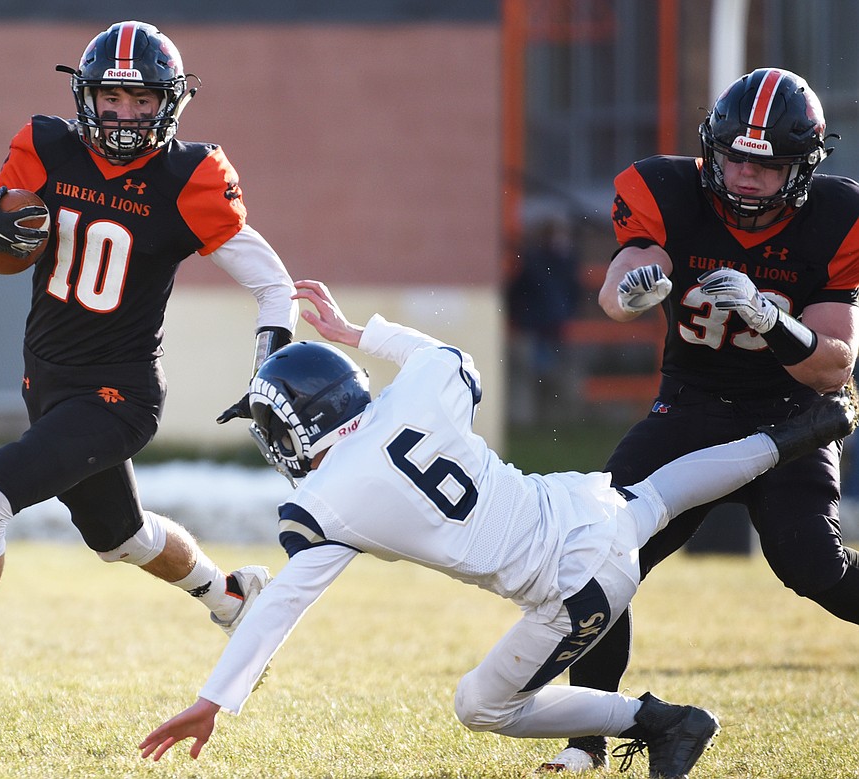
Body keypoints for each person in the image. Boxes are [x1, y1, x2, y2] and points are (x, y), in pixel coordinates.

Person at [137, 279, 858, 779]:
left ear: (296, 423)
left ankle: (661, 719)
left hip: (576, 585)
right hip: (586, 506)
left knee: (481, 705)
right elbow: (448, 358)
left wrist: (214, 699)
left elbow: (285, 601)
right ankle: (806, 429)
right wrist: (361, 331)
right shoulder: (415, 395)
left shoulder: (327, 500)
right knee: (659, 495)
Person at [0, 20, 297, 723]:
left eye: (142, 100)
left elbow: (276, 286)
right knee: (122, 536)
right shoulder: (45, 149)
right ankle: (234, 597)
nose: (125, 115)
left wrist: (271, 370)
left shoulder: (190, 177)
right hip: (47, 382)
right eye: (112, 98)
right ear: (86, 96)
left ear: (170, 103)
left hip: (120, 394)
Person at [540, 67, 859, 773]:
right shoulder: (667, 189)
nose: (745, 177)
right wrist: (633, 288)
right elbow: (623, 281)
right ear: (711, 150)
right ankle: (587, 737)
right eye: (735, 158)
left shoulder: (838, 215)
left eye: (766, 164)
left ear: (801, 167)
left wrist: (769, 319)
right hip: (690, 405)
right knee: (602, 548)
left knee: (813, 562)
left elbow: (833, 365)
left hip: (791, 418)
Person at [506, 215, 583, 422]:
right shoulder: (561, 262)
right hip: (545, 327)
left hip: (542, 327)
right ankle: (553, 420)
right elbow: (572, 293)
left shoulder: (537, 260)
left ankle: (535, 420)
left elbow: (516, 292)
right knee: (543, 378)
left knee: (536, 378)